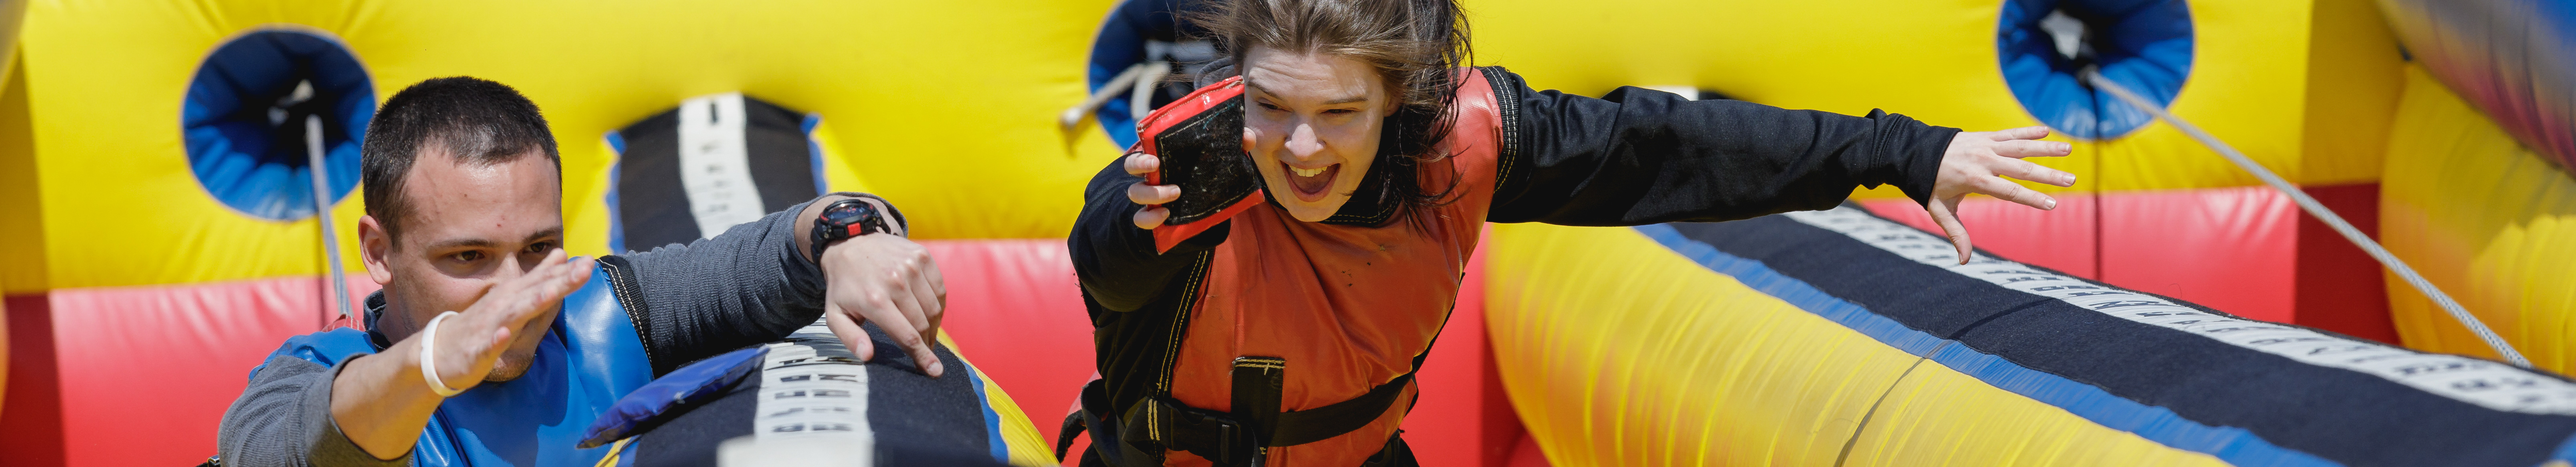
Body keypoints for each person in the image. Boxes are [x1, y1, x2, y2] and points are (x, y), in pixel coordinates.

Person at [1061, 0, 2076, 465]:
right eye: (1274, 106)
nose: (1299, 147)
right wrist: (1131, 224)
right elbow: (1102, 264)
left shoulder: (1462, 143)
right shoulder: (1186, 179)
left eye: (1339, 115)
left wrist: (1901, 150)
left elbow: (1669, 145)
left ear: (1398, 104)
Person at [215, 76, 949, 467]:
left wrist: (850, 235)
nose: (515, 294)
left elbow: (769, 253)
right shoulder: (298, 384)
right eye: (468, 258)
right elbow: (294, 448)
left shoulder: (606, 309)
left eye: (538, 248)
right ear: (378, 251)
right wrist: (436, 364)